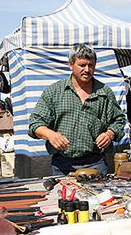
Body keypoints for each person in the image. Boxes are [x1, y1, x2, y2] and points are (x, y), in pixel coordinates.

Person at [28, 44, 125, 176]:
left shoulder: (104, 92)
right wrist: (51, 135)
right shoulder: (54, 92)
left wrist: (109, 134)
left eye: (91, 65)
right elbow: (35, 124)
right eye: (82, 65)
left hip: (95, 163)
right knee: (63, 196)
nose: (87, 69)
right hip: (62, 165)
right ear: (71, 65)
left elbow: (118, 120)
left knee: (97, 197)